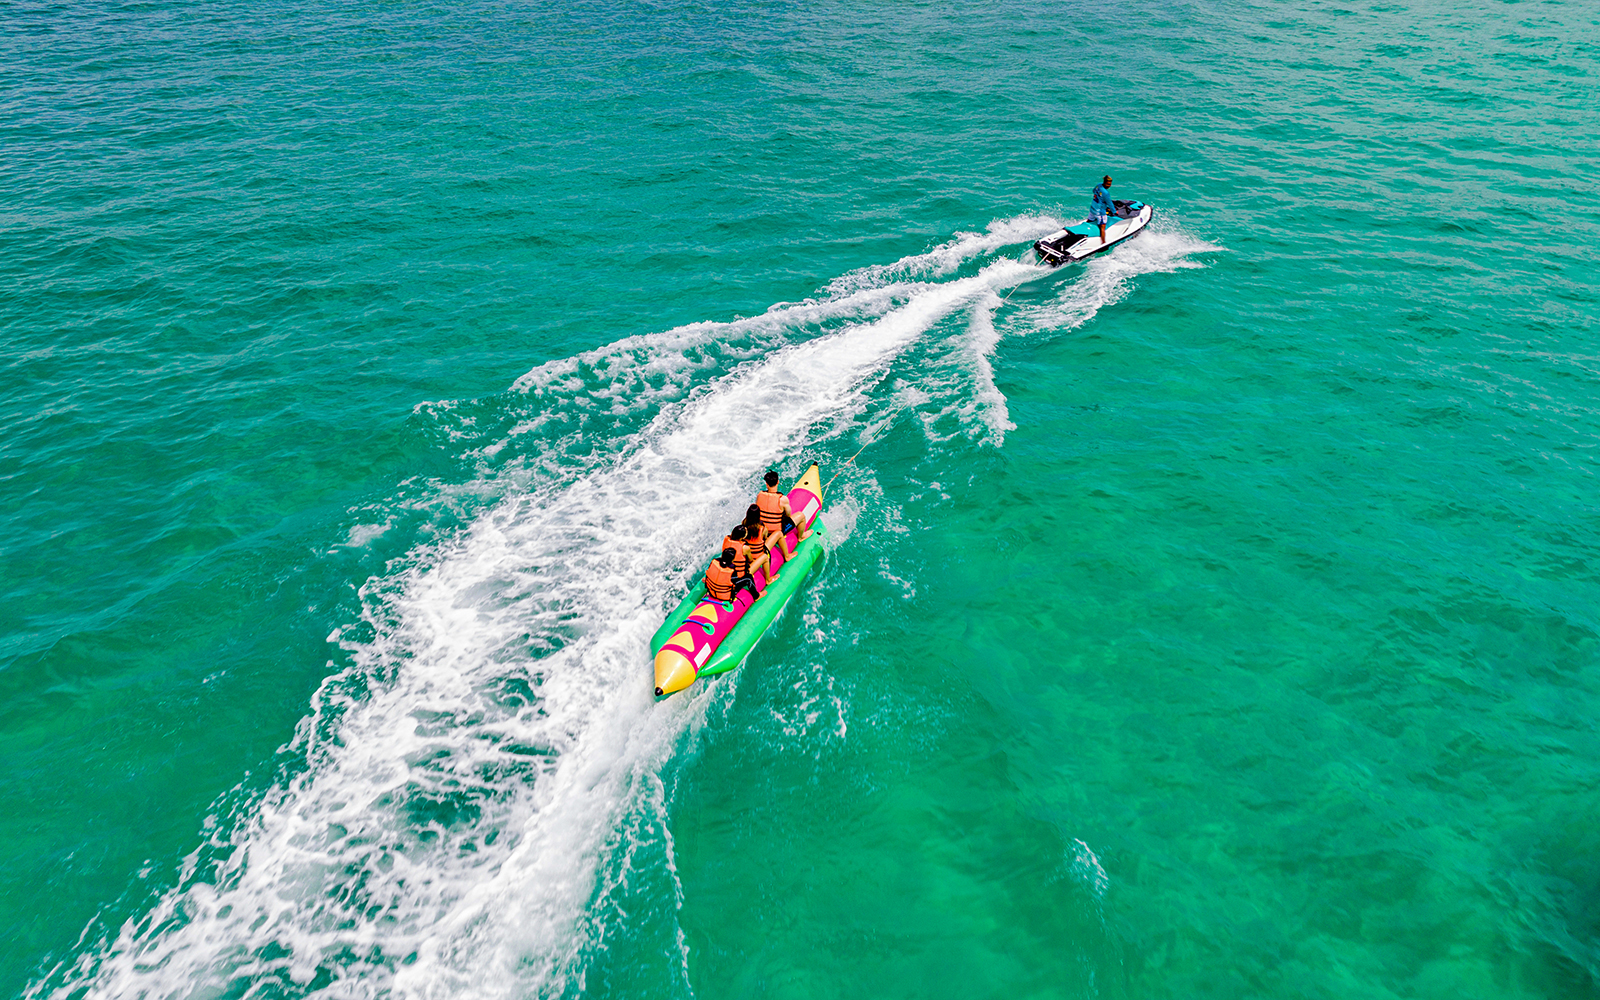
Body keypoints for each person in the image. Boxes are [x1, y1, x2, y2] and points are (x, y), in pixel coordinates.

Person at [756, 469, 811, 559]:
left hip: (762, 531)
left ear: (766, 483)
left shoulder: (760, 495)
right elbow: (788, 515)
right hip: (776, 531)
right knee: (801, 516)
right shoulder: (783, 499)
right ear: (778, 482)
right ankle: (801, 537)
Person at [721, 524, 771, 590]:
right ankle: (768, 580)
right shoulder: (745, 548)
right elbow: (750, 560)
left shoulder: (726, 539)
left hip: (726, 572)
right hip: (739, 575)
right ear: (742, 537)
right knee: (764, 557)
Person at [1090, 175, 1117, 244]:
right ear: (1104, 182)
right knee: (1102, 226)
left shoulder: (1098, 185)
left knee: (1090, 220)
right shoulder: (1106, 193)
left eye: (1110, 184)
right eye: (1108, 184)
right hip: (1100, 212)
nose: (1109, 185)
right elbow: (1109, 203)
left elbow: (1093, 191)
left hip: (1093, 208)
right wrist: (1114, 211)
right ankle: (1103, 242)